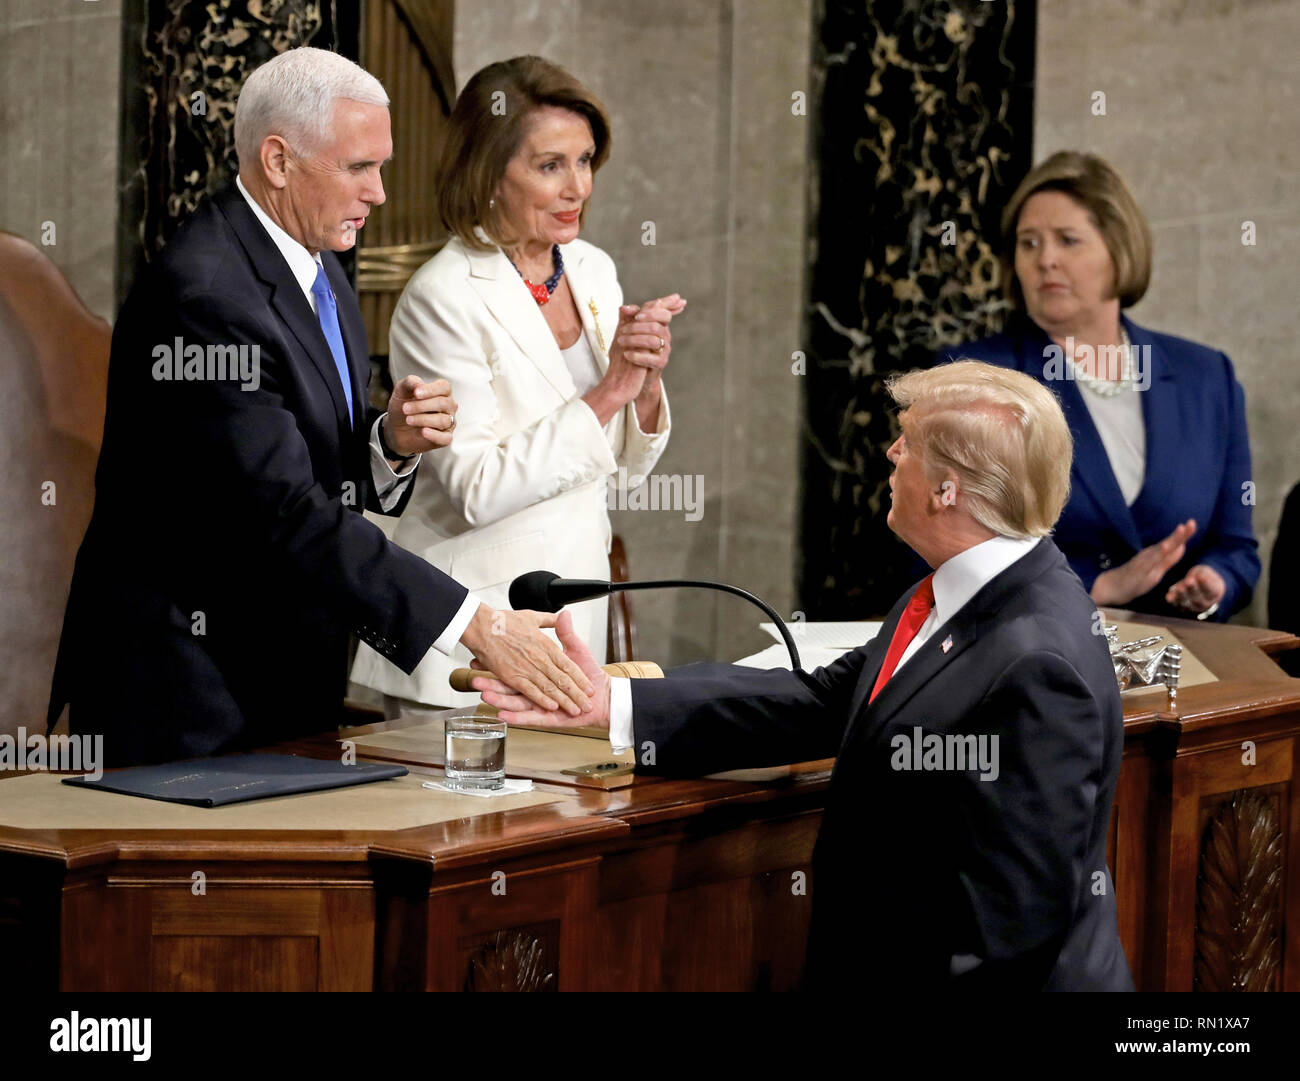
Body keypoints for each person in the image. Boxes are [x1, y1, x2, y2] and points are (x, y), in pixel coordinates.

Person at [473, 361, 1135, 992]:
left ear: (948, 490)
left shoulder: (1037, 664)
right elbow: (816, 702)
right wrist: (611, 702)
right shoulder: (951, 591)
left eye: (907, 443)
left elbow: (1011, 940)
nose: (890, 455)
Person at [47, 47, 590, 767]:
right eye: (359, 167)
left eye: (382, 167)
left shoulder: (319, 259)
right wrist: (474, 622)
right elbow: (283, 512)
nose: (381, 194)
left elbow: (299, 453)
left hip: (282, 677)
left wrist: (385, 441)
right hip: (189, 693)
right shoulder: (206, 296)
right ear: (278, 160)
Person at [351, 56, 682, 708]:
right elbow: (476, 489)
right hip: (465, 646)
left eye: (586, 161)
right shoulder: (441, 296)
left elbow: (614, 472)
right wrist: (609, 391)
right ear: (490, 172)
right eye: (550, 165)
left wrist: (642, 389)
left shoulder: (591, 269)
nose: (578, 187)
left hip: (564, 630)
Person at [938, 151, 1258, 622]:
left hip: (1186, 667)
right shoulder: (973, 378)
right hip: (1033, 662)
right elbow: (941, 548)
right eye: (1028, 244)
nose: (1045, 260)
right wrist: (1096, 586)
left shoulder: (1207, 377)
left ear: (1119, 250)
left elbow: (1238, 548)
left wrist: (1216, 582)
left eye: (1068, 241)